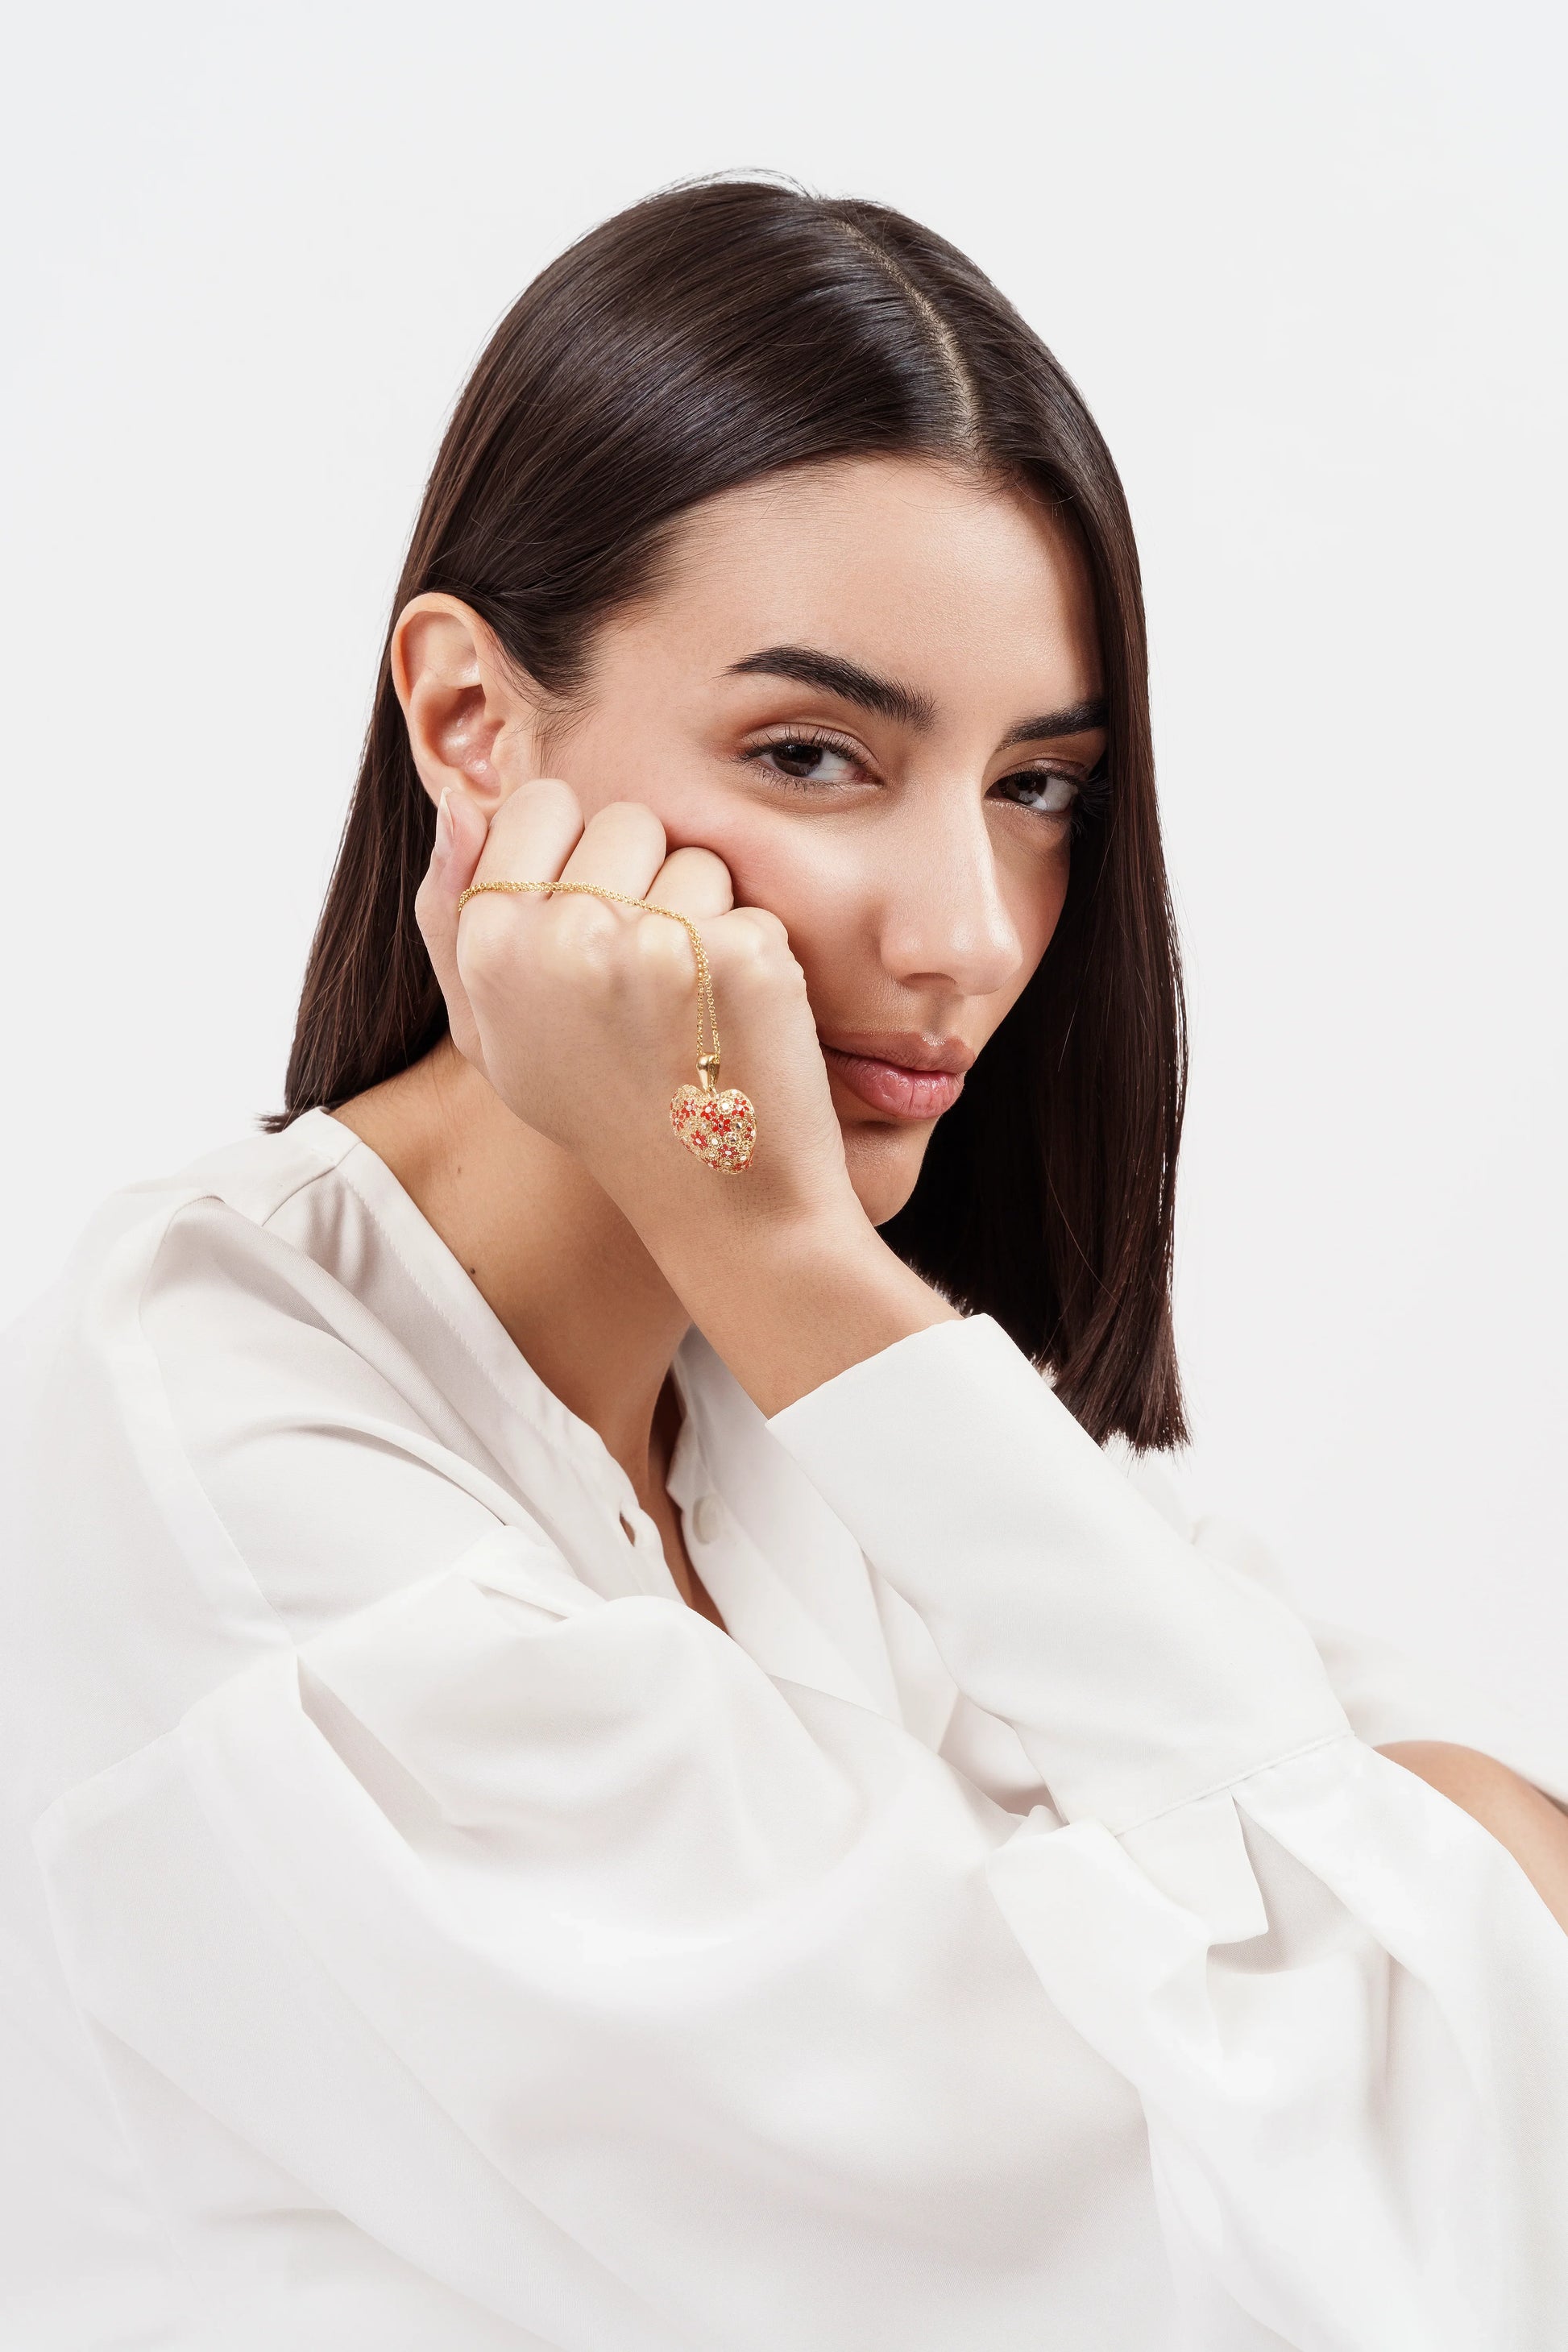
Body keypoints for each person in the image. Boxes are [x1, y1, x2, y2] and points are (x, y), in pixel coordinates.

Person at [2, 178, 1566, 2352]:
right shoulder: (236, 1438)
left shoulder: (798, 1416)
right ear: (470, 722)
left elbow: (1448, 2071)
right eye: (813, 754)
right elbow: (1266, 2237)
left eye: (1036, 786)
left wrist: (783, 1280)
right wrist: (772, 1237)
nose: (963, 933)